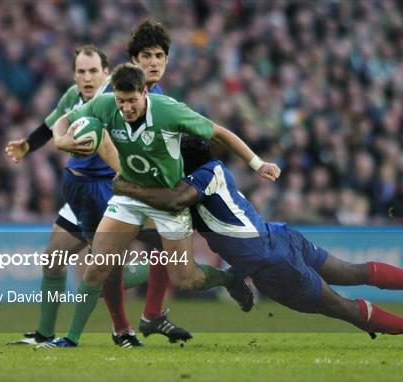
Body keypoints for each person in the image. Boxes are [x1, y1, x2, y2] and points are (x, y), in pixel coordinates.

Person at [110, 137, 403, 345]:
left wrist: (128, 187)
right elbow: (167, 225)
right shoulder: (214, 171)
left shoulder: (196, 182)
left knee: (340, 307)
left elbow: (174, 203)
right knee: (352, 272)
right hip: (280, 235)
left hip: (272, 263)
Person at [38, 63, 279, 348]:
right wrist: (62, 140)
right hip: (128, 196)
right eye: (121, 100)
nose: (126, 108)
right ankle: (70, 339)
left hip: (166, 201)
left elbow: (219, 133)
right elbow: (64, 119)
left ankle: (228, 279)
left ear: (144, 93)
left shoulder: (168, 110)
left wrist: (257, 163)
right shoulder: (104, 105)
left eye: (132, 101)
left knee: (186, 279)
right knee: (98, 267)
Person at [5, 39, 189, 348]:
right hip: (75, 188)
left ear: (107, 72)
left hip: (104, 188)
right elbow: (51, 126)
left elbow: (123, 136)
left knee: (106, 268)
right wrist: (27, 146)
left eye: (93, 71)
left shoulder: (116, 98)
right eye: (81, 71)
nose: (87, 77)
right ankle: (44, 333)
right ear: (74, 74)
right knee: (53, 259)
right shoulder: (72, 96)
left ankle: (121, 329)